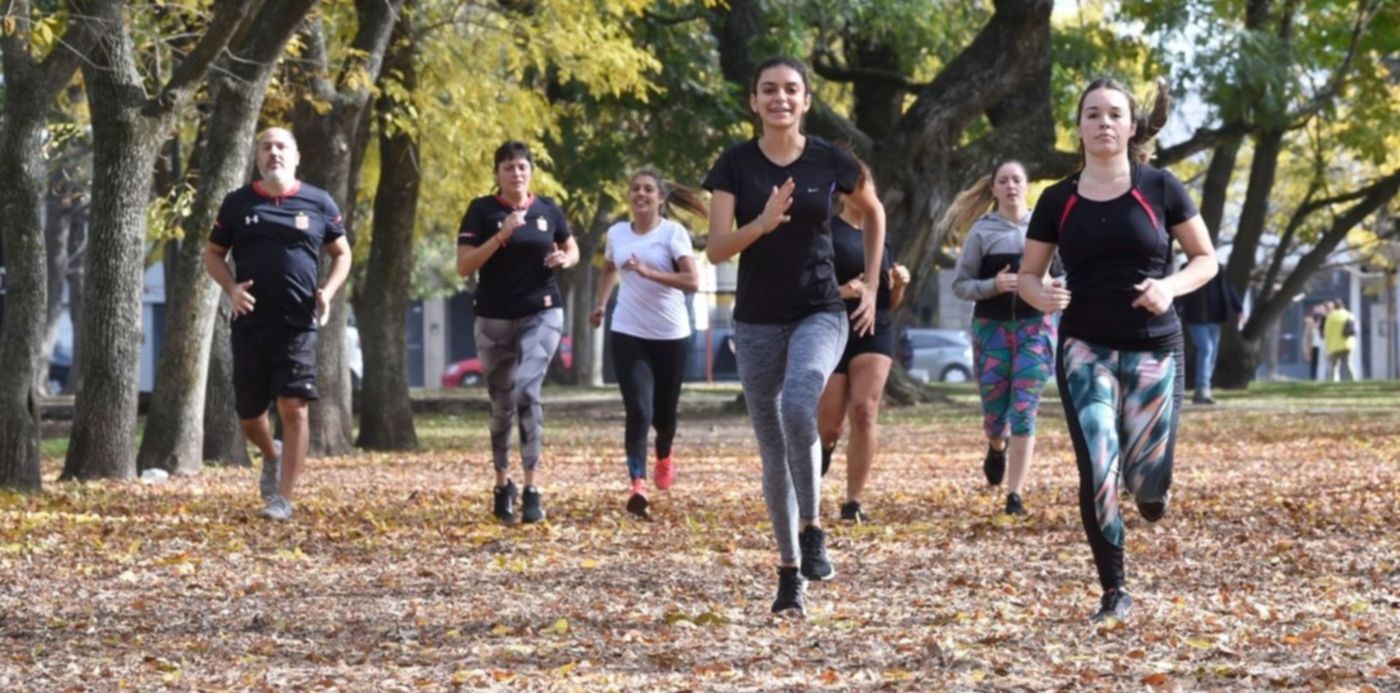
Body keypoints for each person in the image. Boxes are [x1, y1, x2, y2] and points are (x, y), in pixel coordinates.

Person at [1018, 78, 1218, 623]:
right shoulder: (1057, 199)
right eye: (1092, 114)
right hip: (1085, 346)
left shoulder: (1161, 187)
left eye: (1114, 114)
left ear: (1131, 127)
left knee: (1146, 479)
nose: (1103, 123)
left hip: (1155, 347)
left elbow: (1206, 259)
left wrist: (1168, 288)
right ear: (1079, 127)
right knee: (1100, 464)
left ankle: (1152, 491)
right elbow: (1029, 278)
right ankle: (1114, 590)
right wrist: (1043, 294)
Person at [704, 56, 886, 617]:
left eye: (791, 90)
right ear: (754, 102)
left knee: (801, 400)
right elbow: (714, 249)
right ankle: (789, 576)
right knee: (773, 453)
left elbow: (874, 211)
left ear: (806, 100)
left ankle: (812, 528)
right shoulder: (733, 165)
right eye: (768, 90)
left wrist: (874, 286)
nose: (780, 98)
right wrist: (758, 225)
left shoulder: (830, 159)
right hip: (756, 319)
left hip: (821, 310)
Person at [204, 127, 352, 521]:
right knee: (250, 415)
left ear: (296, 156)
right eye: (266, 147)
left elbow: (342, 254)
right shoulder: (237, 203)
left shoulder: (318, 202)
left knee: (294, 405)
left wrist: (328, 292)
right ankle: (272, 453)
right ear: (257, 156)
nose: (274, 153)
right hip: (250, 323)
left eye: (282, 146)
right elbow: (213, 254)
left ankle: (282, 499)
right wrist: (231, 287)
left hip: (298, 323)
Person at [457, 141, 580, 524]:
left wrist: (565, 257)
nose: (516, 173)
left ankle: (532, 486)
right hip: (493, 316)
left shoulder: (548, 210)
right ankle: (502, 484)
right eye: (508, 167)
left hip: (541, 311)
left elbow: (571, 248)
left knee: (528, 390)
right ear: (497, 173)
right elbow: (464, 266)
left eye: (522, 166)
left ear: (531, 171)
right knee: (501, 403)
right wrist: (500, 236)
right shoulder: (482, 210)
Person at [589, 168, 707, 519]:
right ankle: (637, 485)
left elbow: (692, 281)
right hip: (628, 332)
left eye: (648, 190)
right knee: (639, 410)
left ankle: (665, 452)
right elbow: (609, 267)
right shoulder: (617, 233)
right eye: (635, 189)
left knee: (664, 417)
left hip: (671, 335)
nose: (640, 194)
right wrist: (600, 304)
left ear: (660, 198)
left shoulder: (673, 233)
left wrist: (650, 273)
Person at [948, 160, 1058, 516]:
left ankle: (1015, 495)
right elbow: (961, 286)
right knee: (996, 416)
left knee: (1024, 410)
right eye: (1003, 181)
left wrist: (1051, 287)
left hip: (1035, 328)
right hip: (991, 330)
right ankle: (997, 446)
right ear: (993, 189)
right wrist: (993, 285)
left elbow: (1067, 277)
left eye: (1017, 180)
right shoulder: (982, 232)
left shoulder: (1045, 229)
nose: (1011, 186)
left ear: (1028, 185)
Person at [815, 155, 909, 525]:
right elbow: (813, 287)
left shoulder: (880, 235)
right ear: (842, 193)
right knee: (829, 422)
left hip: (876, 329)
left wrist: (897, 285)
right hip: (835, 327)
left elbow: (888, 300)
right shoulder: (826, 231)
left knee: (865, 411)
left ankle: (853, 501)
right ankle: (823, 448)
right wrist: (844, 290)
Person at [1177, 265, 1242, 403]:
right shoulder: (1187, 269)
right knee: (1206, 349)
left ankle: (1204, 390)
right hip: (1196, 318)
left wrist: (1239, 307)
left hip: (1215, 318)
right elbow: (1179, 292)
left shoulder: (1217, 269)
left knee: (1211, 354)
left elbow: (1227, 288)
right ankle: (1202, 389)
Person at [1323, 298, 1357, 381]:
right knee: (1348, 364)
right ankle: (1353, 380)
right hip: (1348, 343)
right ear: (1343, 305)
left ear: (1334, 307)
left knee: (1334, 366)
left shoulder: (1331, 317)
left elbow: (1327, 332)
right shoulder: (1349, 315)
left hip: (1335, 346)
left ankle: (1334, 382)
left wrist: (1327, 348)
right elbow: (1355, 329)